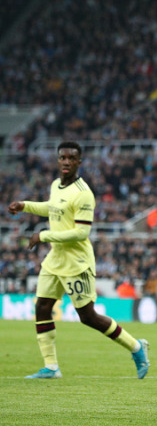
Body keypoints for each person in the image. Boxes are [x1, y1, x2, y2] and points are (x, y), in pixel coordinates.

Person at [8, 141, 149, 379]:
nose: (66, 162)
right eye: (62, 157)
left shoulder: (83, 194)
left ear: (79, 162)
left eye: (71, 158)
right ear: (58, 160)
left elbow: (82, 232)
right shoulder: (56, 185)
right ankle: (51, 367)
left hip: (76, 262)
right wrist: (25, 206)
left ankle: (136, 347)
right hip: (55, 260)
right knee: (41, 307)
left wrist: (43, 235)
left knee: (88, 317)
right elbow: (53, 208)